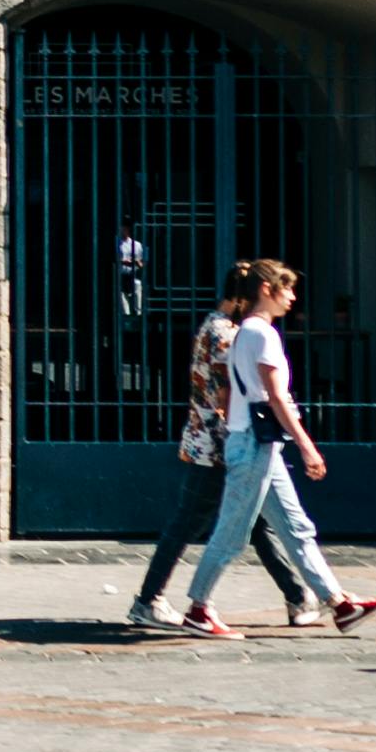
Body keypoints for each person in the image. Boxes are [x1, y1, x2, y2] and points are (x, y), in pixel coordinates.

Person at [179, 260, 376, 640]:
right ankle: (198, 608)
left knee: (295, 527)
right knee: (231, 534)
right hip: (255, 445)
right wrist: (309, 447)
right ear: (267, 290)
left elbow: (237, 393)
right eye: (286, 289)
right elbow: (276, 397)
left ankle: (339, 603)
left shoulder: (245, 333)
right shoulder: (263, 336)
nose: (292, 297)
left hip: (256, 444)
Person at [124, 260, 316, 632]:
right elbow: (235, 395)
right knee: (192, 523)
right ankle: (148, 600)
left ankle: (297, 596)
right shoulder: (230, 335)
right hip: (220, 445)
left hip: (206, 439)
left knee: (255, 524)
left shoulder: (210, 325)